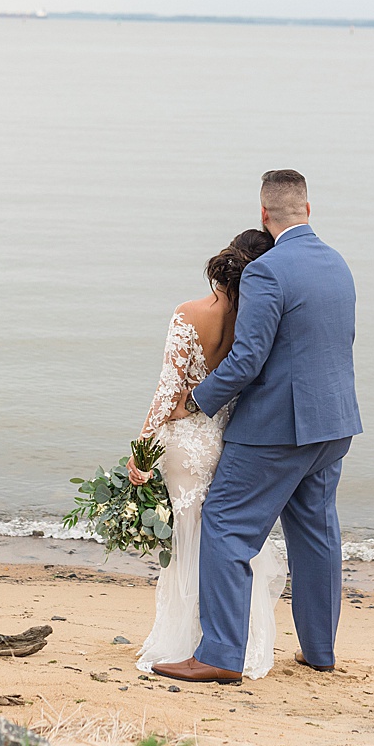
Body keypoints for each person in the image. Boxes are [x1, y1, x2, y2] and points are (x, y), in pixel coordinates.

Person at [152, 168, 362, 684]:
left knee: (225, 522)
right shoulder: (338, 265)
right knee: (316, 534)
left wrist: (195, 402)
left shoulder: (267, 271)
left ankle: (221, 656)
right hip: (334, 425)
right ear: (308, 210)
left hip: (277, 429)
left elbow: (247, 360)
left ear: (264, 216)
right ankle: (320, 650)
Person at [130, 228, 289, 679]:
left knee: (188, 543)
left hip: (187, 443)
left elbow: (168, 391)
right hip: (230, 440)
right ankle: (237, 641)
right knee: (227, 540)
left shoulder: (188, 313)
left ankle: (186, 641)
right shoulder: (257, 323)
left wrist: (141, 449)